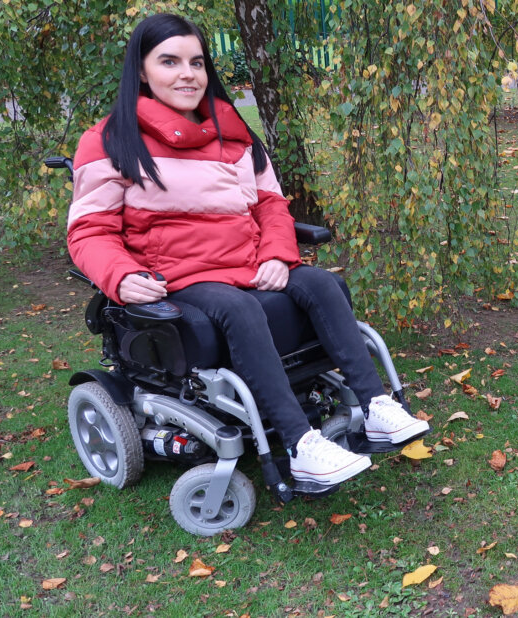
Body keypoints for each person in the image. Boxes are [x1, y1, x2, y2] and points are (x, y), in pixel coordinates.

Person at [66, 13, 430, 489]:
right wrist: (118, 275)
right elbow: (89, 231)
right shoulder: (111, 140)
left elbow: (271, 205)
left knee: (321, 282)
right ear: (141, 70)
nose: (187, 74)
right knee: (239, 309)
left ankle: (375, 404)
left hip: (250, 261)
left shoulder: (233, 134)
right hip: (180, 275)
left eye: (196, 62)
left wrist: (278, 254)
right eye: (170, 62)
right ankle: (301, 446)